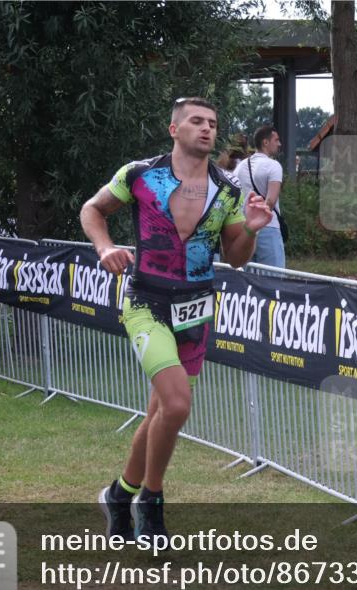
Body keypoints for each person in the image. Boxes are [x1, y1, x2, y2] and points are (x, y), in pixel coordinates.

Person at [81, 97, 272, 539]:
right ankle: (152, 500)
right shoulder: (141, 174)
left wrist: (251, 229)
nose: (206, 129)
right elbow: (92, 210)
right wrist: (105, 247)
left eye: (212, 123)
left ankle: (118, 495)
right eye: (196, 121)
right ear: (174, 129)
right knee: (178, 404)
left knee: (161, 413)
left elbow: (237, 259)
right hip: (146, 302)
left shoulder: (228, 190)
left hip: (196, 308)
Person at [234, 125, 285, 268]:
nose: (279, 144)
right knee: (273, 280)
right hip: (268, 227)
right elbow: (271, 200)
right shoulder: (273, 166)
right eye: (276, 140)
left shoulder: (240, 167)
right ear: (265, 142)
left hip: (246, 229)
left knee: (247, 282)